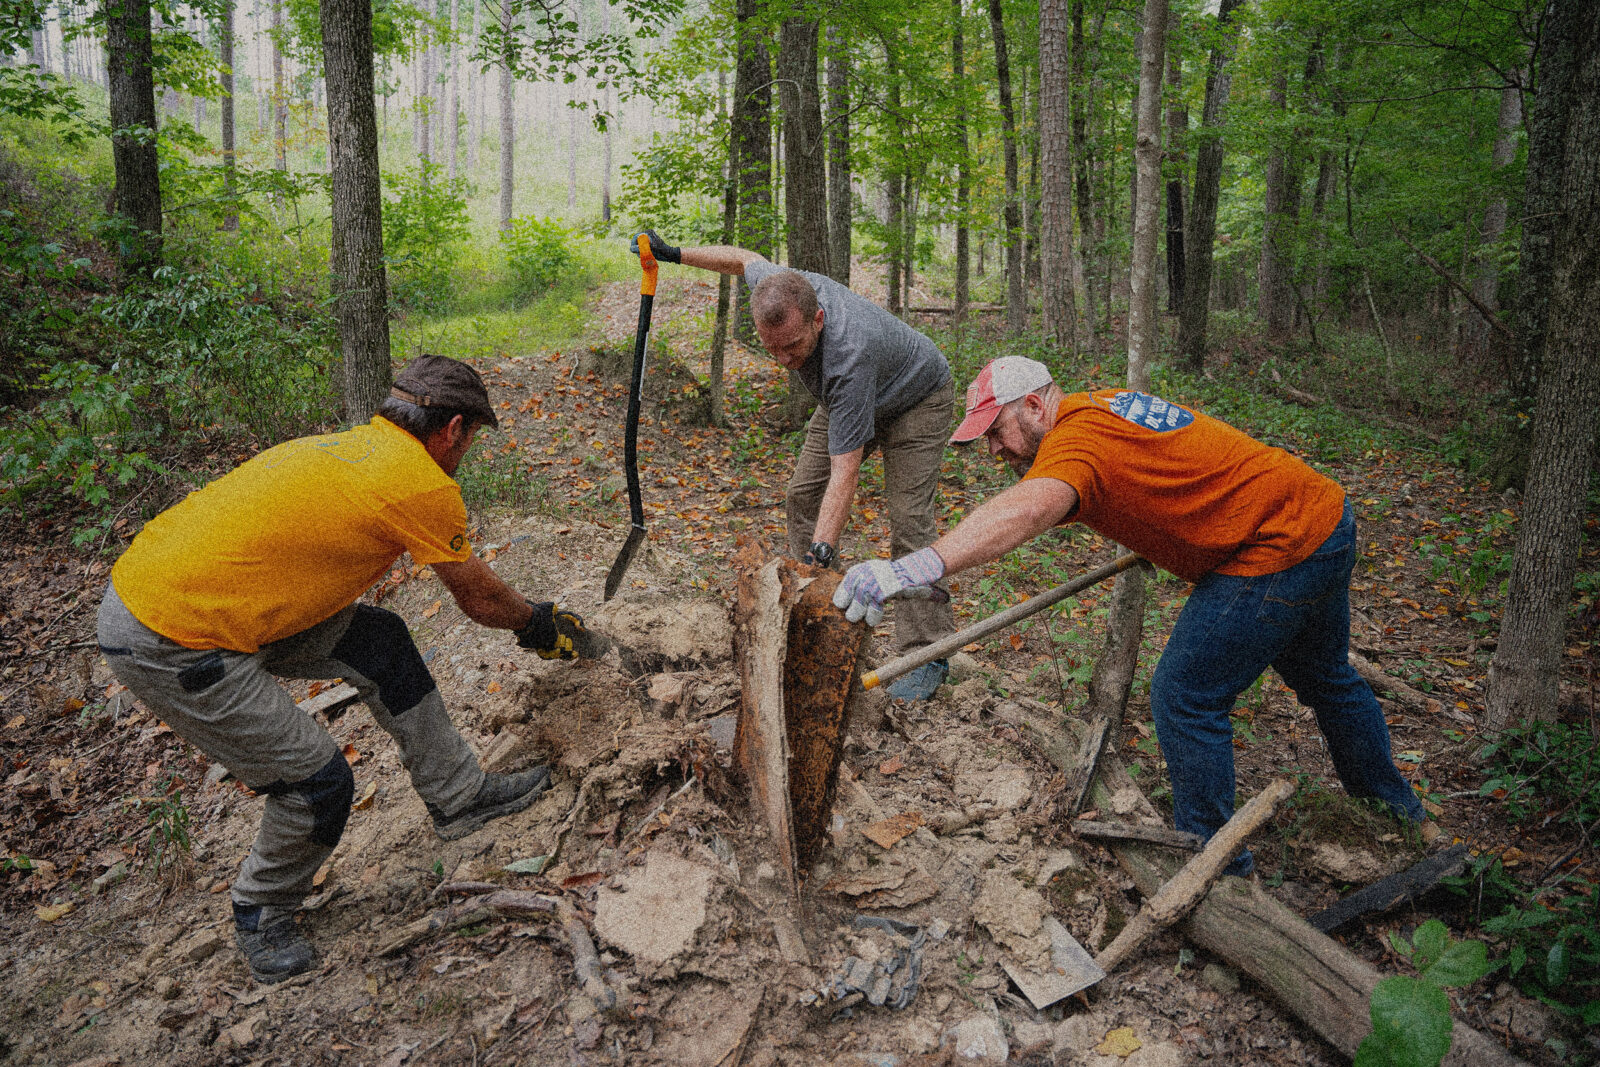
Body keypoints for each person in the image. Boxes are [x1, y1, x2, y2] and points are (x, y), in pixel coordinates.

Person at [97, 355, 593, 984]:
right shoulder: (420, 482)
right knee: (316, 781)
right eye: (471, 440)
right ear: (452, 428)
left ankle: (460, 797)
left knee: (380, 642)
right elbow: (480, 599)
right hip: (170, 633)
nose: (466, 453)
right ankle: (262, 911)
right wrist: (535, 623)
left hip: (204, 598)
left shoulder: (356, 448)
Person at [833, 356, 1434, 873]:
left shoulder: (1076, 439)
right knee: (1328, 680)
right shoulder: (1100, 411)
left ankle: (1215, 866)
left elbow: (1030, 508)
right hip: (1322, 514)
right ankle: (1397, 812)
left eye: (997, 431)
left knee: (1185, 693)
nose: (993, 450)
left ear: (1038, 406)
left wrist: (917, 566)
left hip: (1276, 545)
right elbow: (1156, 470)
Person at [631, 230, 956, 701]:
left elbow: (846, 472)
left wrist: (820, 551)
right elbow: (744, 258)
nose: (784, 361)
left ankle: (927, 655)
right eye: (772, 348)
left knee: (908, 521)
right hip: (849, 396)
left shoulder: (848, 354)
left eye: (794, 347)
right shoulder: (779, 287)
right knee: (802, 495)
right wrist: (674, 254)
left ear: (818, 319)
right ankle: (829, 620)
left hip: (915, 399)